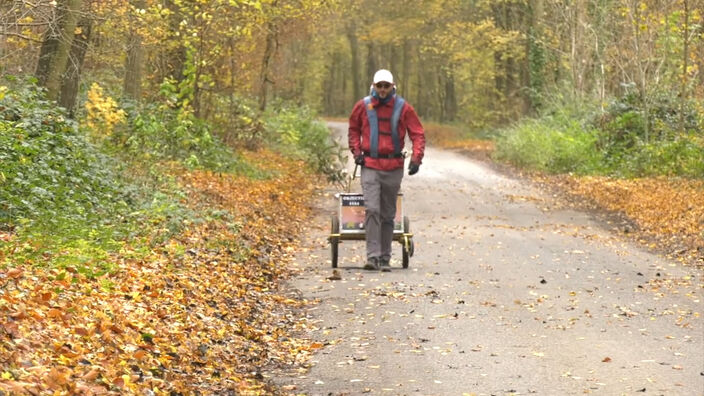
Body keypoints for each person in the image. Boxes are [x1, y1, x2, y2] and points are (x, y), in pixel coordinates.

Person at [348, 69, 426, 272]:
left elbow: (417, 133)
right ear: (373, 86)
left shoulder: (404, 108)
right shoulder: (363, 106)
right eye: (379, 86)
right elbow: (353, 129)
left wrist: (417, 158)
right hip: (370, 165)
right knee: (372, 209)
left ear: (393, 87)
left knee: (388, 213)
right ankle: (372, 257)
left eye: (386, 86)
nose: (382, 90)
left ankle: (385, 257)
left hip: (393, 167)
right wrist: (356, 151)